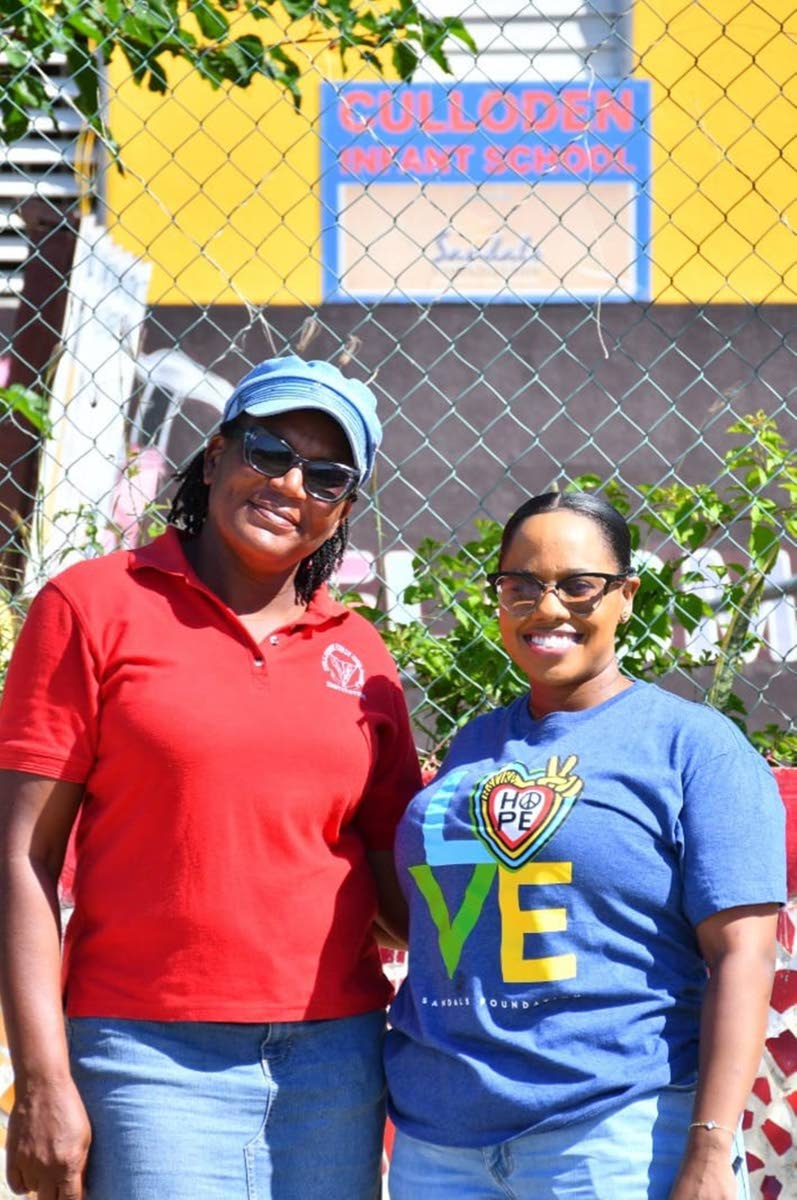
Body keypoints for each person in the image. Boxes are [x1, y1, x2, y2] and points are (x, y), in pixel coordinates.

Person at [0, 355, 421, 1200]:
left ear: (344, 509)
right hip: (147, 1055)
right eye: (268, 451)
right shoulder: (93, 606)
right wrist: (41, 1079)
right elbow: (21, 859)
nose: (290, 484)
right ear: (217, 452)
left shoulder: (360, 652)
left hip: (334, 1059)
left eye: (327, 474)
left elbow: (399, 897)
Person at [384, 489, 785, 1200]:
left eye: (578, 585)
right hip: (437, 1142)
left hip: (610, 1138)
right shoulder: (474, 745)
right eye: (521, 585)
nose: (547, 607)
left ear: (626, 596)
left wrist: (708, 1149)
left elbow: (743, 954)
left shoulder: (693, 747)